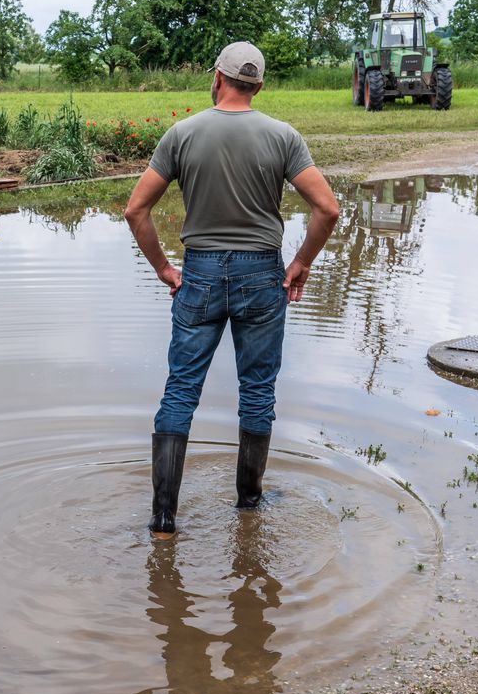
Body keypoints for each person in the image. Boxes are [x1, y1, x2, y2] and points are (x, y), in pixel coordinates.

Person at [124, 41, 341, 536]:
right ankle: (249, 505)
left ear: (216, 78)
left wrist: (163, 267)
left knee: (180, 390)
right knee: (257, 391)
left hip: (198, 272)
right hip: (262, 275)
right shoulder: (283, 137)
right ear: (259, 86)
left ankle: (162, 519)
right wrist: (302, 262)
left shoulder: (182, 134)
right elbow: (327, 208)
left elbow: (136, 209)